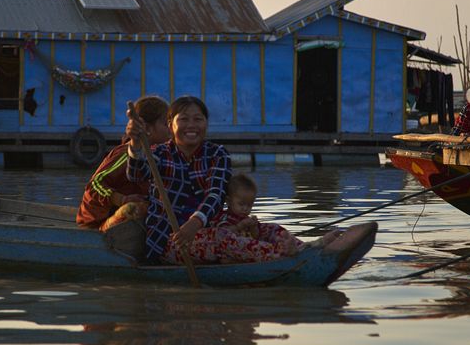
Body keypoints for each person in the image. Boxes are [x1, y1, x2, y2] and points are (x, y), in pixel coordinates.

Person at [125, 95, 235, 264]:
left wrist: (196, 222)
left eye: (198, 119)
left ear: (206, 123)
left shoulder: (217, 153)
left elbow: (216, 194)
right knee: (229, 243)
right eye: (183, 119)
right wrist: (136, 142)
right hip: (169, 239)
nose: (191, 125)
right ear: (170, 125)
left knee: (276, 234)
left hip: (211, 228)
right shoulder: (160, 153)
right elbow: (136, 175)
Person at [76, 95, 170, 231]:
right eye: (166, 124)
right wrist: (121, 200)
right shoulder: (126, 153)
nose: (171, 129)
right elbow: (94, 186)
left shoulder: (160, 155)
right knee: (136, 208)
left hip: (129, 217)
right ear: (147, 129)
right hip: (100, 220)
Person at [213, 173, 302, 258]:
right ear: (228, 201)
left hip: (249, 251)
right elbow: (222, 235)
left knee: (274, 229)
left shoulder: (246, 218)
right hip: (231, 252)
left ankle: (297, 246)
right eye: (241, 204)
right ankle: (282, 251)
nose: (245, 209)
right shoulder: (224, 217)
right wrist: (239, 226)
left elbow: (256, 237)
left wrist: (254, 228)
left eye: (249, 205)